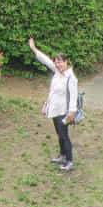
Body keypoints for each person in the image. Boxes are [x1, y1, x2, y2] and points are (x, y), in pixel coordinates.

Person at [28, 37, 78, 171]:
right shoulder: (57, 73)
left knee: (64, 135)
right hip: (55, 110)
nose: (57, 65)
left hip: (65, 112)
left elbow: (73, 96)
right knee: (59, 134)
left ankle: (69, 161)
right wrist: (34, 48)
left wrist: (71, 112)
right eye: (56, 63)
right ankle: (62, 155)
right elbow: (45, 60)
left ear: (66, 62)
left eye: (60, 62)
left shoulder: (71, 78)